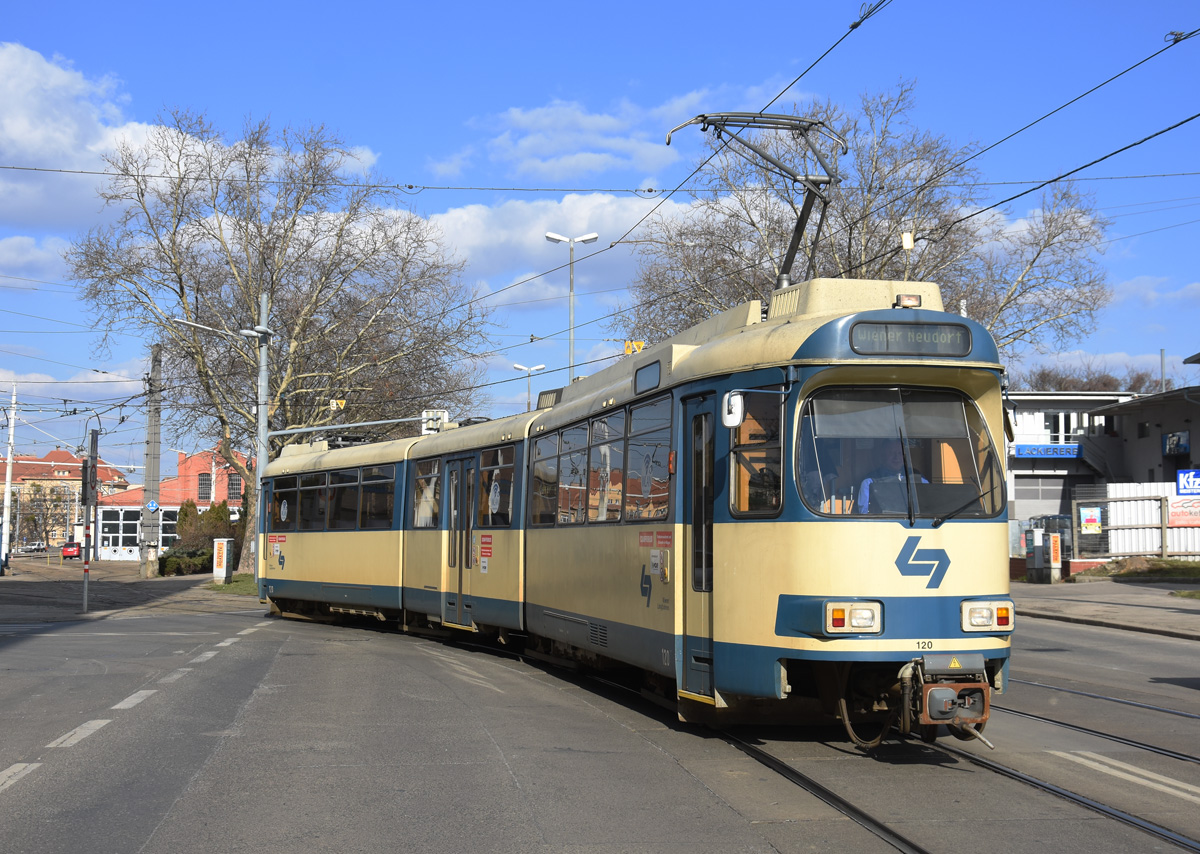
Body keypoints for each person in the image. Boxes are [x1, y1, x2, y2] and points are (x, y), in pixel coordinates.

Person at [857, 439, 925, 513]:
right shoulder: (870, 481)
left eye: (900, 453)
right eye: (891, 453)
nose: (896, 457)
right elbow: (864, 514)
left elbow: (930, 501)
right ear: (883, 455)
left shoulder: (917, 476)